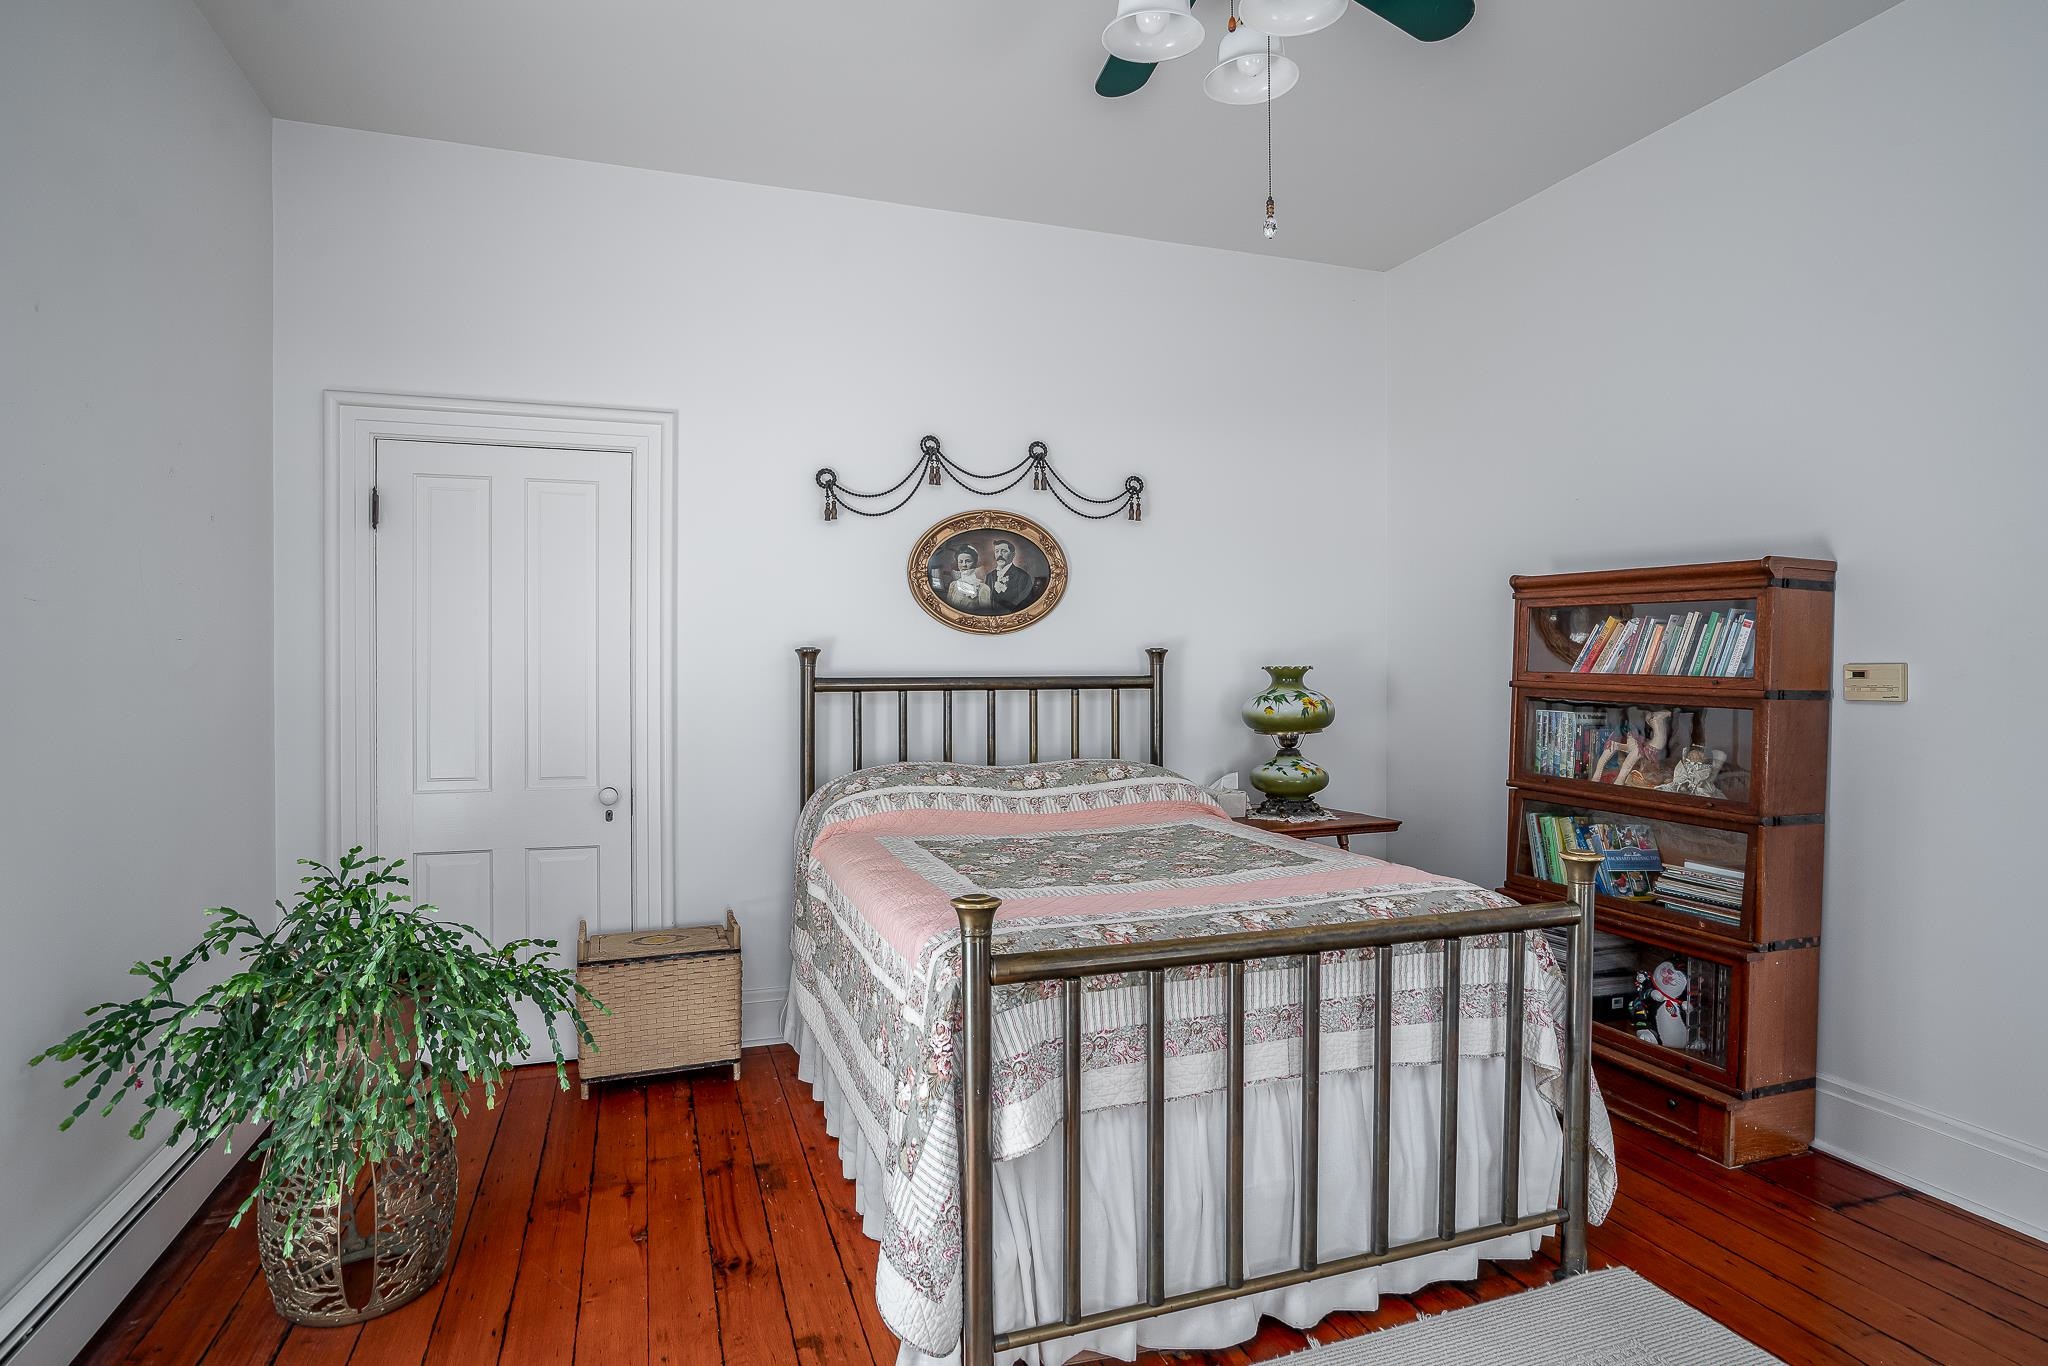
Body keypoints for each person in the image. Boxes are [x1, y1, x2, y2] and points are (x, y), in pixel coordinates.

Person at [987, 538, 1038, 612]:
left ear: (1013, 555)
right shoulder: (990, 576)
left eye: (1004, 551)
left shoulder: (1023, 576)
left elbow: (1026, 602)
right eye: (997, 551)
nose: (1000, 554)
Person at [945, 545, 991, 611]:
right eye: (960, 562)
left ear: (975, 563)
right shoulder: (953, 585)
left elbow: (985, 613)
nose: (964, 565)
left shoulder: (983, 588)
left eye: (968, 561)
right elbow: (948, 610)